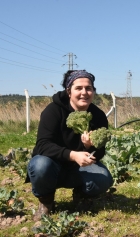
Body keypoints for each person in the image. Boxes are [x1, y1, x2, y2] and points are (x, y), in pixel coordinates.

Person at [26, 70, 113, 221]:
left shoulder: (98, 115)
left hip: (78, 170)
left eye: (89, 88)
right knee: (39, 165)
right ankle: (46, 201)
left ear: (93, 91)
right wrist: (72, 154)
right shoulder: (53, 111)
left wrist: (88, 147)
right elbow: (42, 145)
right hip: (52, 167)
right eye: (78, 88)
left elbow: (100, 153)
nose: (84, 92)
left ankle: (82, 194)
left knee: (104, 178)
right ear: (69, 91)